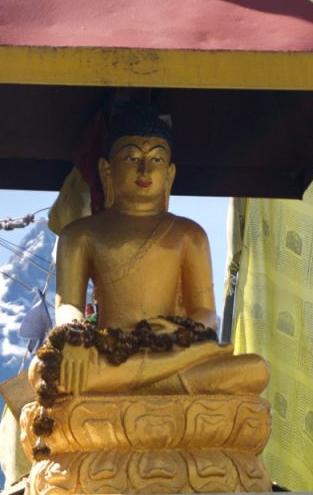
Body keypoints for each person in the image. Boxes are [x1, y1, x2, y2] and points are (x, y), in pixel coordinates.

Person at [29, 102, 268, 396]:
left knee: (255, 369)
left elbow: (205, 312)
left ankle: (137, 384)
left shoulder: (189, 234)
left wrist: (181, 332)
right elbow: (68, 304)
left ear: (169, 174)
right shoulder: (80, 234)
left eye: (156, 160)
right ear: (107, 169)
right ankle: (158, 385)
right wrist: (75, 338)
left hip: (168, 349)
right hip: (109, 350)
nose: (145, 169)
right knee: (44, 372)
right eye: (131, 157)